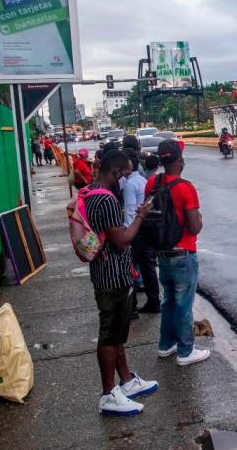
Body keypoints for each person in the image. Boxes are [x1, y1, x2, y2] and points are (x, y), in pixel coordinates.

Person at [83, 149, 158, 416]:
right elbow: (121, 240)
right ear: (115, 172)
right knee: (110, 334)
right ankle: (108, 394)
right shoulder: (106, 200)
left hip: (106, 272)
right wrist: (141, 216)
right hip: (112, 276)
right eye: (125, 175)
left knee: (117, 332)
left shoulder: (90, 191)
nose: (126, 180)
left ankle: (126, 381)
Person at [145, 140, 210, 366]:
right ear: (180, 160)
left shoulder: (152, 183)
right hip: (183, 252)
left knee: (169, 301)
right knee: (183, 305)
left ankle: (166, 344)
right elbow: (195, 226)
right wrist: (199, 218)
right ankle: (185, 351)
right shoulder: (185, 187)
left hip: (162, 251)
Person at [121, 148, 159, 314]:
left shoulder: (129, 184)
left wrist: (128, 233)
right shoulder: (143, 180)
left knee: (129, 268)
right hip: (146, 228)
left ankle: (132, 307)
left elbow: (130, 210)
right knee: (148, 267)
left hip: (136, 230)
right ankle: (154, 302)